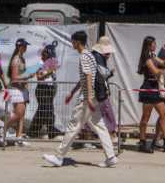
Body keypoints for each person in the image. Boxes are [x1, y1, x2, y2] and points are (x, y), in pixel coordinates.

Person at [42, 29, 116, 168]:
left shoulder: (84, 56)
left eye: (73, 41)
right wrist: (72, 92)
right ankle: (111, 156)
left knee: (73, 126)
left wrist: (87, 97)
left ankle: (59, 156)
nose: (72, 44)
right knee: (99, 125)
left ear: (77, 42)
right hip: (92, 96)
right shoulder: (89, 55)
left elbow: (88, 76)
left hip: (87, 97)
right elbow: (85, 78)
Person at [134, 35, 165, 153]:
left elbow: (164, 63)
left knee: (164, 113)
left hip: (155, 88)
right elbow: (156, 72)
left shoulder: (153, 56)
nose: (155, 45)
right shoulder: (147, 59)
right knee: (145, 118)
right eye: (153, 44)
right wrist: (164, 71)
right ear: (148, 46)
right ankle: (142, 142)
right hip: (148, 89)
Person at [6, 38, 31, 147]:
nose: (26, 48)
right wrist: (27, 76)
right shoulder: (16, 59)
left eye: (26, 46)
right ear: (19, 46)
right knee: (18, 114)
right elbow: (14, 78)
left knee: (22, 116)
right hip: (16, 90)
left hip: (22, 89)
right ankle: (2, 130)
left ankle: (19, 137)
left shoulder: (22, 59)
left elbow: (21, 76)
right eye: (24, 46)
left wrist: (26, 84)